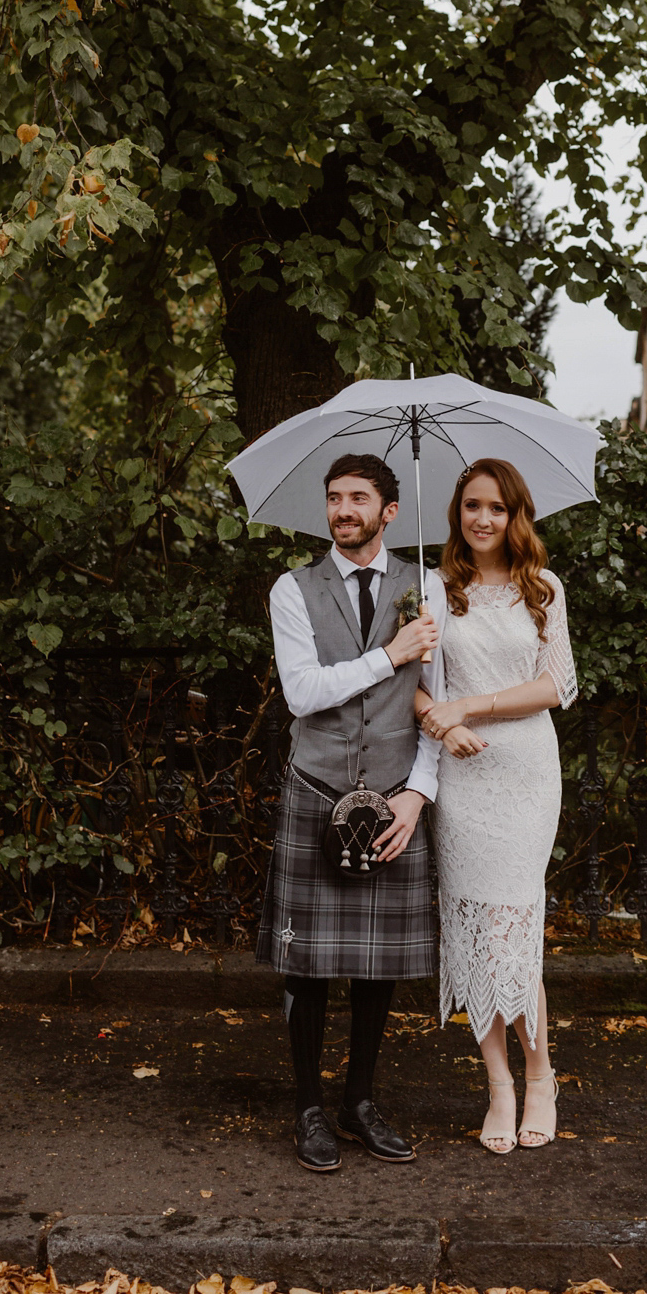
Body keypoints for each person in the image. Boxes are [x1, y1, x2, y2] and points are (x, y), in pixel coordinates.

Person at [257, 451, 448, 1173]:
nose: (343, 510)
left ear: (389, 511)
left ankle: (359, 1101)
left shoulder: (425, 585)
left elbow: (438, 699)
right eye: (335, 497)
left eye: (358, 497)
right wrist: (391, 654)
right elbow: (302, 693)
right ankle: (309, 1106)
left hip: (393, 796)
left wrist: (419, 794)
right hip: (316, 788)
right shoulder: (292, 589)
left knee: (379, 968)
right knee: (306, 964)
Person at [417, 458, 576, 1154]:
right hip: (462, 783)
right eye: (472, 505)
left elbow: (556, 686)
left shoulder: (542, 588)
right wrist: (444, 724)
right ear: (457, 511)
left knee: (513, 926)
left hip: (526, 774)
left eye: (497, 508)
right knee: (472, 930)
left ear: (517, 516)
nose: (482, 518)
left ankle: (540, 1075)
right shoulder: (431, 592)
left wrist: (472, 707)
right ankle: (499, 1088)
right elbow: (412, 688)